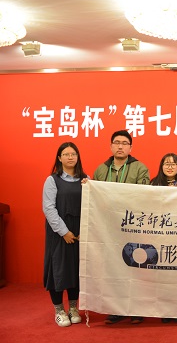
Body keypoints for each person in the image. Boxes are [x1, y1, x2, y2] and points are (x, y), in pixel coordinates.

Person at [93, 130, 149, 324]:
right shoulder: (101, 170)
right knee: (112, 268)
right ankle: (116, 309)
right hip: (108, 228)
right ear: (110, 146)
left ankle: (136, 309)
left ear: (130, 148)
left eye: (124, 143)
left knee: (135, 267)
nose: (120, 146)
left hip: (132, 226)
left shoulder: (140, 168)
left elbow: (144, 194)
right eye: (116, 142)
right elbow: (95, 197)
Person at [42, 142, 87, 327]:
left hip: (80, 231)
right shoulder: (52, 180)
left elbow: (91, 205)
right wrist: (64, 232)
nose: (70, 157)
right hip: (59, 232)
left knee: (76, 269)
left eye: (73, 154)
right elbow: (49, 208)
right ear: (59, 158)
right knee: (58, 269)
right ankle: (59, 310)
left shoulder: (85, 179)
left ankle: (74, 308)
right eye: (66, 154)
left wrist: (84, 230)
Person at [150, 153, 177, 323]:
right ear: (161, 166)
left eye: (173, 164)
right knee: (162, 276)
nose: (170, 167)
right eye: (166, 164)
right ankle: (164, 310)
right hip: (160, 236)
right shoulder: (153, 184)